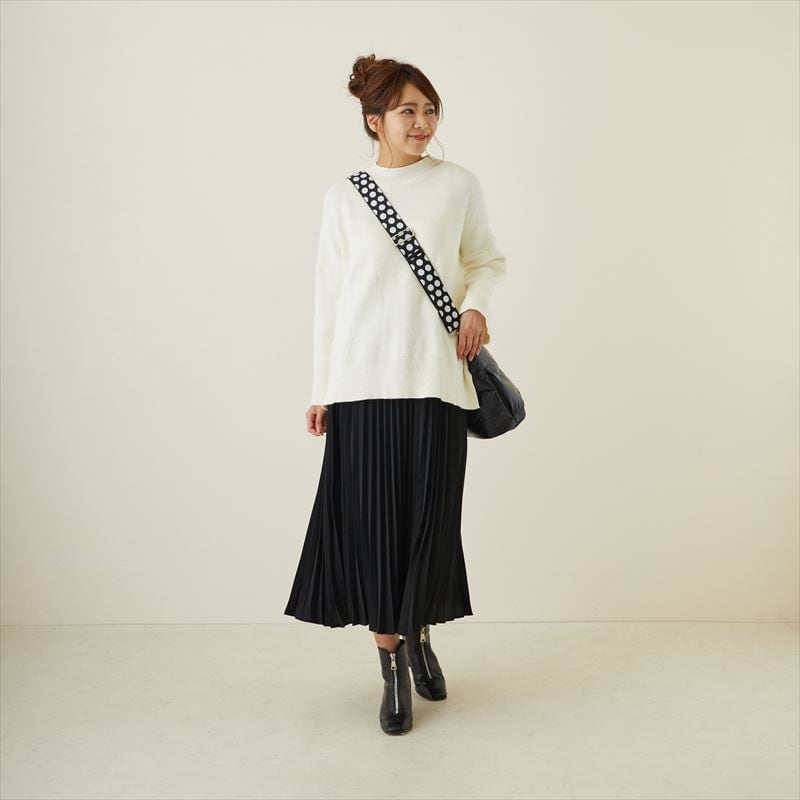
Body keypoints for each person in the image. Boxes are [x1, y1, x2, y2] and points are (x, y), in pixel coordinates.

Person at [283, 53, 507, 735]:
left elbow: (485, 261)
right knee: (376, 528)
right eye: (407, 110)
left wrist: (476, 305)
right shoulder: (343, 197)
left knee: (429, 523)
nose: (422, 122)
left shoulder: (458, 185)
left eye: (429, 109)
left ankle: (421, 634)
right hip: (360, 384)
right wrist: (322, 388)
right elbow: (329, 297)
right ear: (374, 120)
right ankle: (391, 664)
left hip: (436, 380)